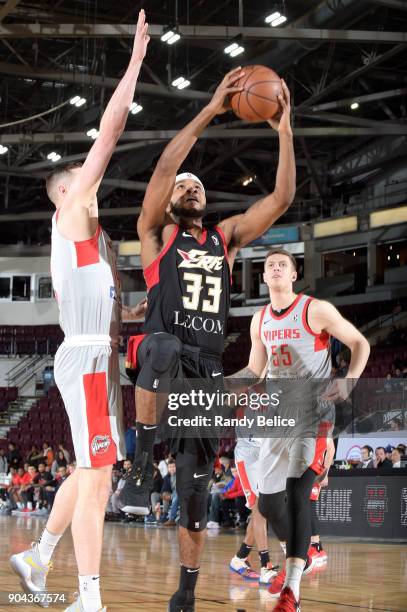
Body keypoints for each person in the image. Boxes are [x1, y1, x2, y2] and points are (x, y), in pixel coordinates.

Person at [121, 71, 295, 612]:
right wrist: (211, 109)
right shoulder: (156, 233)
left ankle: (188, 591)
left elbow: (282, 198)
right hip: (161, 359)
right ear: (170, 202)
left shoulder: (225, 238)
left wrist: (286, 129)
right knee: (162, 346)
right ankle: (144, 456)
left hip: (205, 372)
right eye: (184, 187)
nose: (191, 188)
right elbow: (166, 166)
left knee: (194, 501)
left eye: (198, 186)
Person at [10, 12, 149, 612]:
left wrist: (143, 309)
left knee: (97, 473)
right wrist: (137, 60)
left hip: (97, 356)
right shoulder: (68, 215)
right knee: (97, 480)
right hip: (89, 359)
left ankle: (39, 555)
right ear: (66, 191)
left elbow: (114, 307)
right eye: (82, 180)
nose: (91, 185)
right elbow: (111, 133)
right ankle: (88, 596)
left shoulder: (94, 250)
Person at [231, 248, 370, 611]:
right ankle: (301, 555)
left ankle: (292, 589)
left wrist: (349, 382)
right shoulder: (259, 320)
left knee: (297, 492)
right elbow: (253, 372)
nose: (276, 268)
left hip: (313, 414)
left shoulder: (315, 310)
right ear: (264, 278)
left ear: (294, 275)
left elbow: (360, 343)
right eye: (269, 265)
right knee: (268, 503)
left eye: (283, 264)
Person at [229, 435, 278, 584]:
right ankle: (266, 566)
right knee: (259, 509)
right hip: (248, 454)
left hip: (267, 452)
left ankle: (240, 558)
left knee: (265, 509)